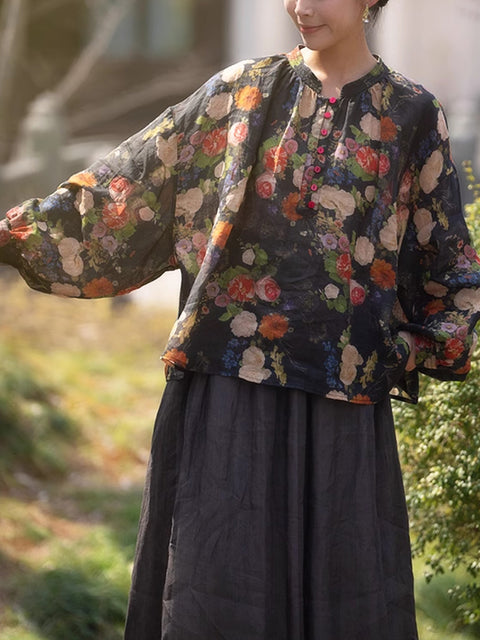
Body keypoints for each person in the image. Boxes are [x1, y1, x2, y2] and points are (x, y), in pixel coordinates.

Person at [1, 0, 480, 637]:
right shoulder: (239, 94)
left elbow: (447, 269)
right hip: (226, 399)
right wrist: (13, 233)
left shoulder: (412, 115)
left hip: (342, 419)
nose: (300, 6)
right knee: (217, 603)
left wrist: (405, 349)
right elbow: (125, 191)